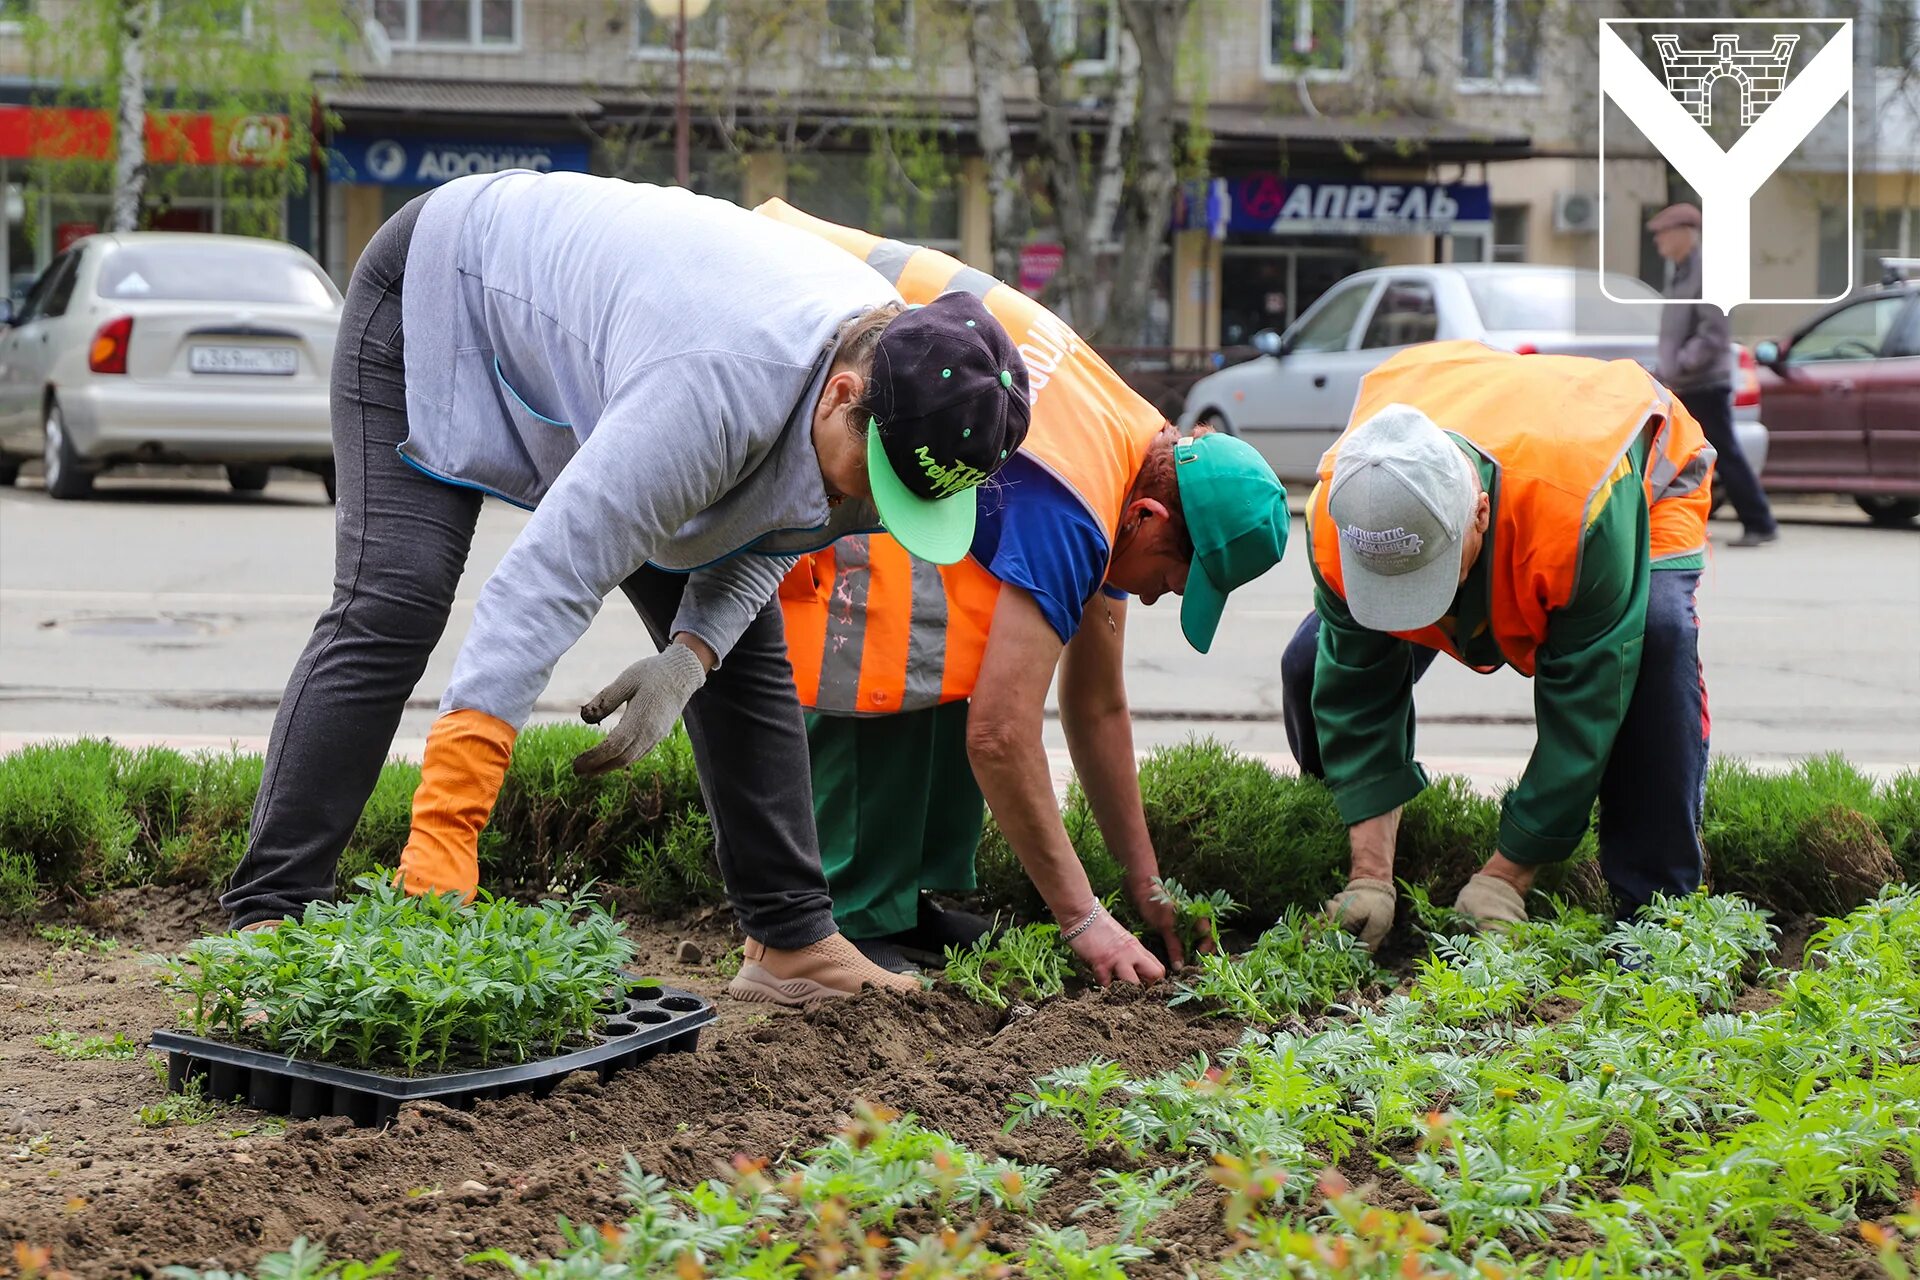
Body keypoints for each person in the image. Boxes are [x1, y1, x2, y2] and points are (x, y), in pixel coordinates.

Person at [218, 171, 1031, 1005]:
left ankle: (790, 940)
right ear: (843, 394)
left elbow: (778, 529)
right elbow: (546, 580)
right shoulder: (715, 388)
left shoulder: (892, 386)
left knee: (741, 655)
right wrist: (447, 832)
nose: (865, 507)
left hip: (621, 360)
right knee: (396, 597)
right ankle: (270, 913)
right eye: (875, 481)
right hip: (443, 291)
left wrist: (691, 651)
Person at [760, 202, 1291, 985]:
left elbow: (1098, 705)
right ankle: (845, 912)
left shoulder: (1142, 446)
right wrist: (1086, 922)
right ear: (1147, 522)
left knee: (965, 630)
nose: (1151, 601)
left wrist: (1147, 888)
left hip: (862, 353)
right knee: (895, 641)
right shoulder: (1079, 508)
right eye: (1171, 583)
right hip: (807, 364)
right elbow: (1001, 735)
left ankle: (895, 902)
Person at [1282, 340, 1717, 946]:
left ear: (1480, 516)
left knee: (1658, 644)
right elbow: (1355, 687)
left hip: (1634, 474)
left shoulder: (1583, 517)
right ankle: (1353, 848)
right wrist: (1370, 876)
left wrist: (1507, 875)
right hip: (1478, 417)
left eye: (1427, 579)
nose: (1411, 609)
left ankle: (1655, 914)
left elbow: (1586, 710)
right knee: (1310, 662)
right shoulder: (1342, 511)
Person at [1650, 201, 1777, 548]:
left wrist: (1680, 364)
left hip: (1704, 381)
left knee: (1723, 452)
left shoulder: (1706, 271)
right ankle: (1686, 522)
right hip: (1688, 380)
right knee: (1691, 453)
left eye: (1663, 234)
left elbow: (1713, 333)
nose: (1657, 242)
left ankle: (1759, 521)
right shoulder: (1682, 270)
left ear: (1683, 235)